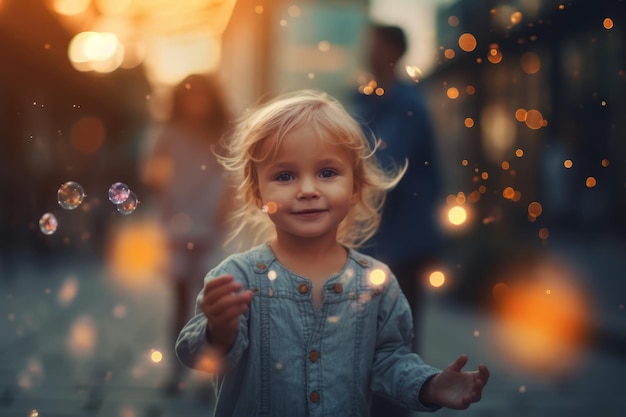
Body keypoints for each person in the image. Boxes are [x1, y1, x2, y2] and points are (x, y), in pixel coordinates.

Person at [175, 89, 488, 416]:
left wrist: (430, 386)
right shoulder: (236, 278)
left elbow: (390, 361)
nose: (308, 190)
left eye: (327, 173)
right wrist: (217, 332)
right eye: (285, 176)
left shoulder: (377, 283)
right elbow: (194, 354)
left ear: (354, 188)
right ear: (257, 193)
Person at [351, 24, 444, 417]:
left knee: (396, 331)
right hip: (377, 237)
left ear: (392, 50)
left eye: (374, 44)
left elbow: (385, 167)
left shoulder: (407, 103)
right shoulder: (369, 100)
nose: (367, 51)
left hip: (404, 239)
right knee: (369, 330)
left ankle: (394, 407)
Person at [140, 73, 234, 395]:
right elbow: (151, 167)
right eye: (190, 96)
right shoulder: (170, 131)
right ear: (179, 99)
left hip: (212, 225)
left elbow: (235, 172)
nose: (196, 103)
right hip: (178, 225)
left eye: (202, 96)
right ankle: (176, 370)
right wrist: (163, 190)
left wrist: (227, 204)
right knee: (180, 299)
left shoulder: (223, 131)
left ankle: (209, 372)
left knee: (213, 302)